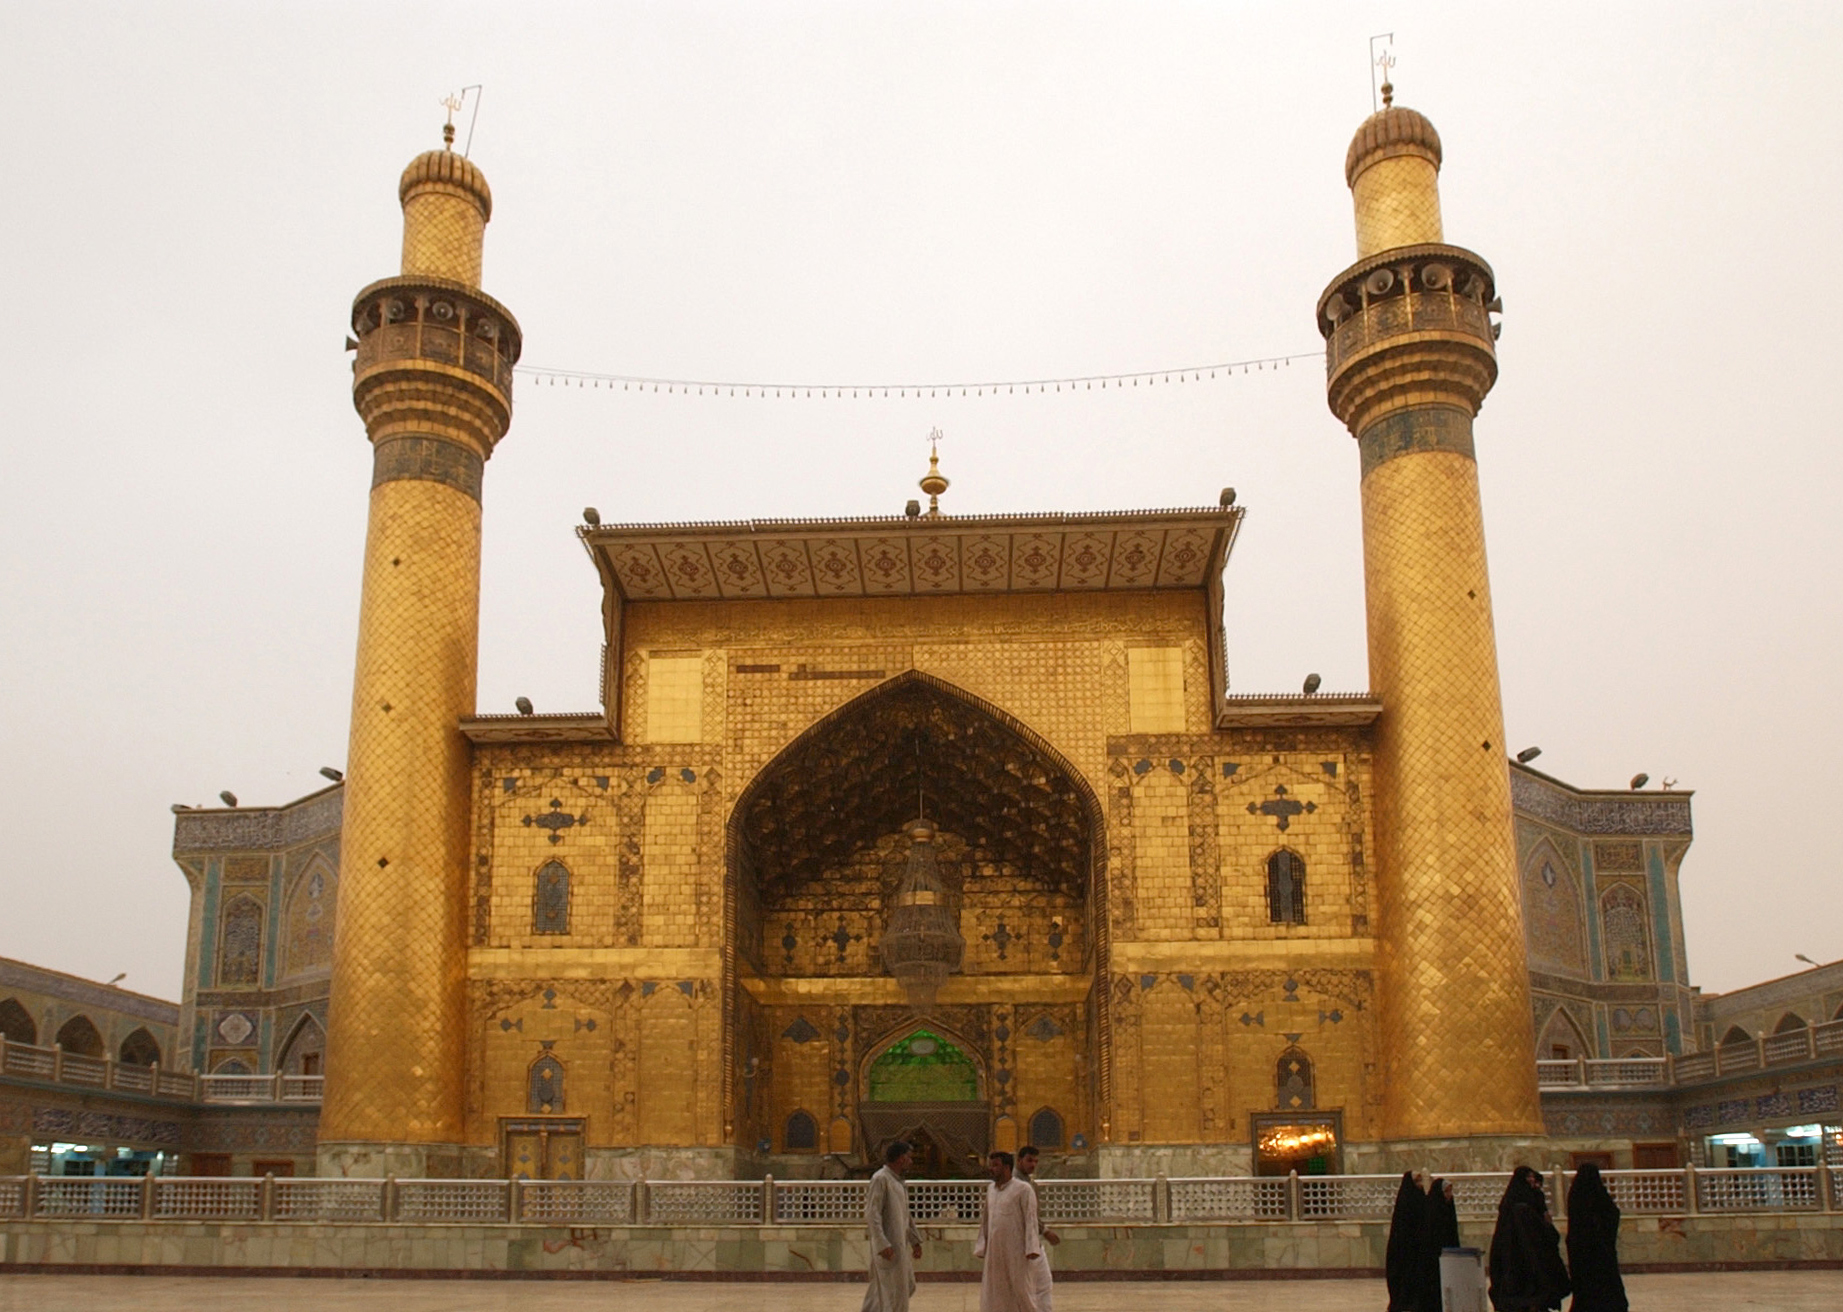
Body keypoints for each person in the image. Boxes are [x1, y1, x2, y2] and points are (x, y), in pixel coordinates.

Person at [1487, 1166, 1571, 1311]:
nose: (1532, 1180)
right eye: (1528, 1177)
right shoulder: (1522, 1208)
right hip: (1525, 1266)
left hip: (1518, 1268)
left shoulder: (1520, 1203)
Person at [974, 1149, 1043, 1312]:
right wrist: (983, 1246)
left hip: (1016, 1250)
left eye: (995, 1165)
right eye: (991, 1165)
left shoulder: (1023, 1189)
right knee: (994, 1291)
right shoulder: (991, 1190)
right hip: (994, 1251)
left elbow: (1030, 1219)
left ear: (1007, 1167)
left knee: (1021, 1291)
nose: (991, 1169)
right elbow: (986, 1220)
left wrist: (1031, 1247)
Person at [862, 1139, 923, 1312]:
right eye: (909, 1158)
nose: (911, 1162)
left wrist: (915, 1240)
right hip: (887, 1249)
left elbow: (905, 1216)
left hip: (898, 1246)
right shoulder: (881, 1179)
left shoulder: (897, 1182)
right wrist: (882, 1244)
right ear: (901, 1159)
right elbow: (872, 1214)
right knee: (892, 1296)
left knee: (903, 1287)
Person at [1565, 1162, 1628, 1312]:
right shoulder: (1600, 1197)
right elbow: (1612, 1215)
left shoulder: (1576, 1195)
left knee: (1586, 1294)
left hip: (1581, 1255)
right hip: (1601, 1255)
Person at [1016, 1145, 1059, 1312]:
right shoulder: (1018, 1185)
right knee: (1038, 1286)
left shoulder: (1027, 1183)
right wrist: (1046, 1231)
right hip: (1026, 1244)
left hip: (1032, 1241)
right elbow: (1027, 1216)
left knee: (1041, 1285)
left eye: (1035, 1161)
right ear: (1019, 1161)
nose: (1033, 1165)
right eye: (1029, 1160)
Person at [1413, 1177, 1460, 1312]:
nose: (1449, 1195)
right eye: (1446, 1192)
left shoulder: (1448, 1207)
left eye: (1450, 1191)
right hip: (1431, 1258)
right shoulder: (1431, 1209)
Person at [1384, 1170, 1424, 1311]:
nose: (1421, 1185)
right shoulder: (1405, 1203)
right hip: (1404, 1250)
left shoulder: (1421, 1199)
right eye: (1417, 1181)